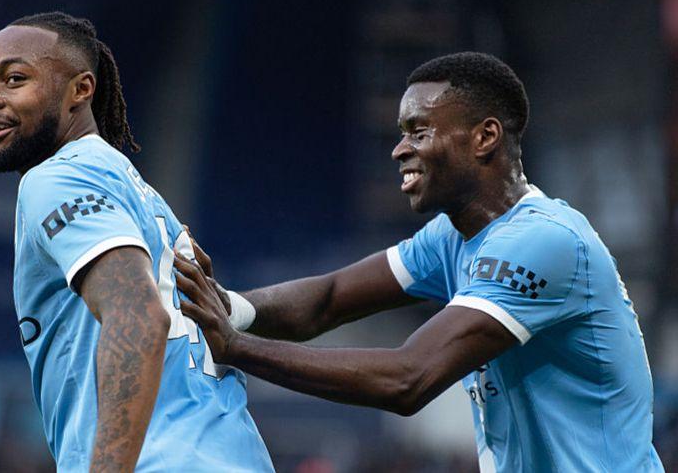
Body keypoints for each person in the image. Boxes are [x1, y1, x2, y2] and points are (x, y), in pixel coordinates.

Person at [174, 52, 664, 472]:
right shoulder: (454, 237)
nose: (399, 149)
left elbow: (408, 379)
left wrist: (236, 347)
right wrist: (227, 305)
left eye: (419, 130)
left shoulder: (543, 241)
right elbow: (328, 300)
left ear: (485, 136)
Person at [0, 12, 273, 472]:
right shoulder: (140, 195)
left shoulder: (57, 178)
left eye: (14, 79)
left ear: (81, 90)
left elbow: (138, 315)